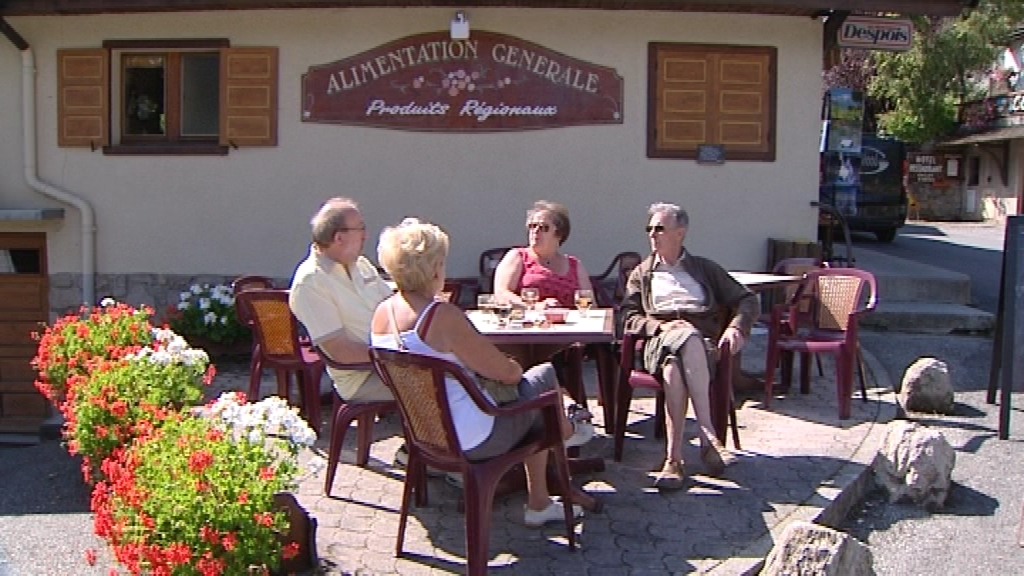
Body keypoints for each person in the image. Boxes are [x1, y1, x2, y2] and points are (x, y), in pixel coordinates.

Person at [370, 218, 592, 526]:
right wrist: (512, 367)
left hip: (425, 436)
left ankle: (550, 473)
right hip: (475, 437)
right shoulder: (442, 316)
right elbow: (509, 374)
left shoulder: (382, 313)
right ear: (434, 268)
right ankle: (565, 439)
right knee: (543, 378)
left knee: (540, 404)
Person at [621, 202, 759, 490]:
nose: (652, 234)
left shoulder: (704, 269)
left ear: (680, 232)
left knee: (676, 367)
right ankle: (709, 436)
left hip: (701, 348)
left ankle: (674, 460)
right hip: (658, 343)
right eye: (649, 229)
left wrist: (736, 328)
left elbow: (747, 299)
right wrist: (659, 326)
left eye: (660, 228)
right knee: (683, 340)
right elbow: (628, 316)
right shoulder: (642, 274)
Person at [288, 197, 395, 408]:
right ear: (339, 238)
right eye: (361, 229)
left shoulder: (361, 265)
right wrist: (401, 358)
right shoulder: (311, 282)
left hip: (394, 362)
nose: (366, 235)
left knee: (462, 370)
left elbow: (393, 305)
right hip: (364, 377)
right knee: (449, 383)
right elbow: (341, 351)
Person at [493, 200, 594, 309]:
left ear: (559, 233)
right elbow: (501, 294)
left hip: (568, 323)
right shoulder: (518, 257)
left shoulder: (575, 265)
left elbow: (590, 304)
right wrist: (535, 307)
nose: (535, 231)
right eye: (532, 226)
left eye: (543, 227)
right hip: (527, 323)